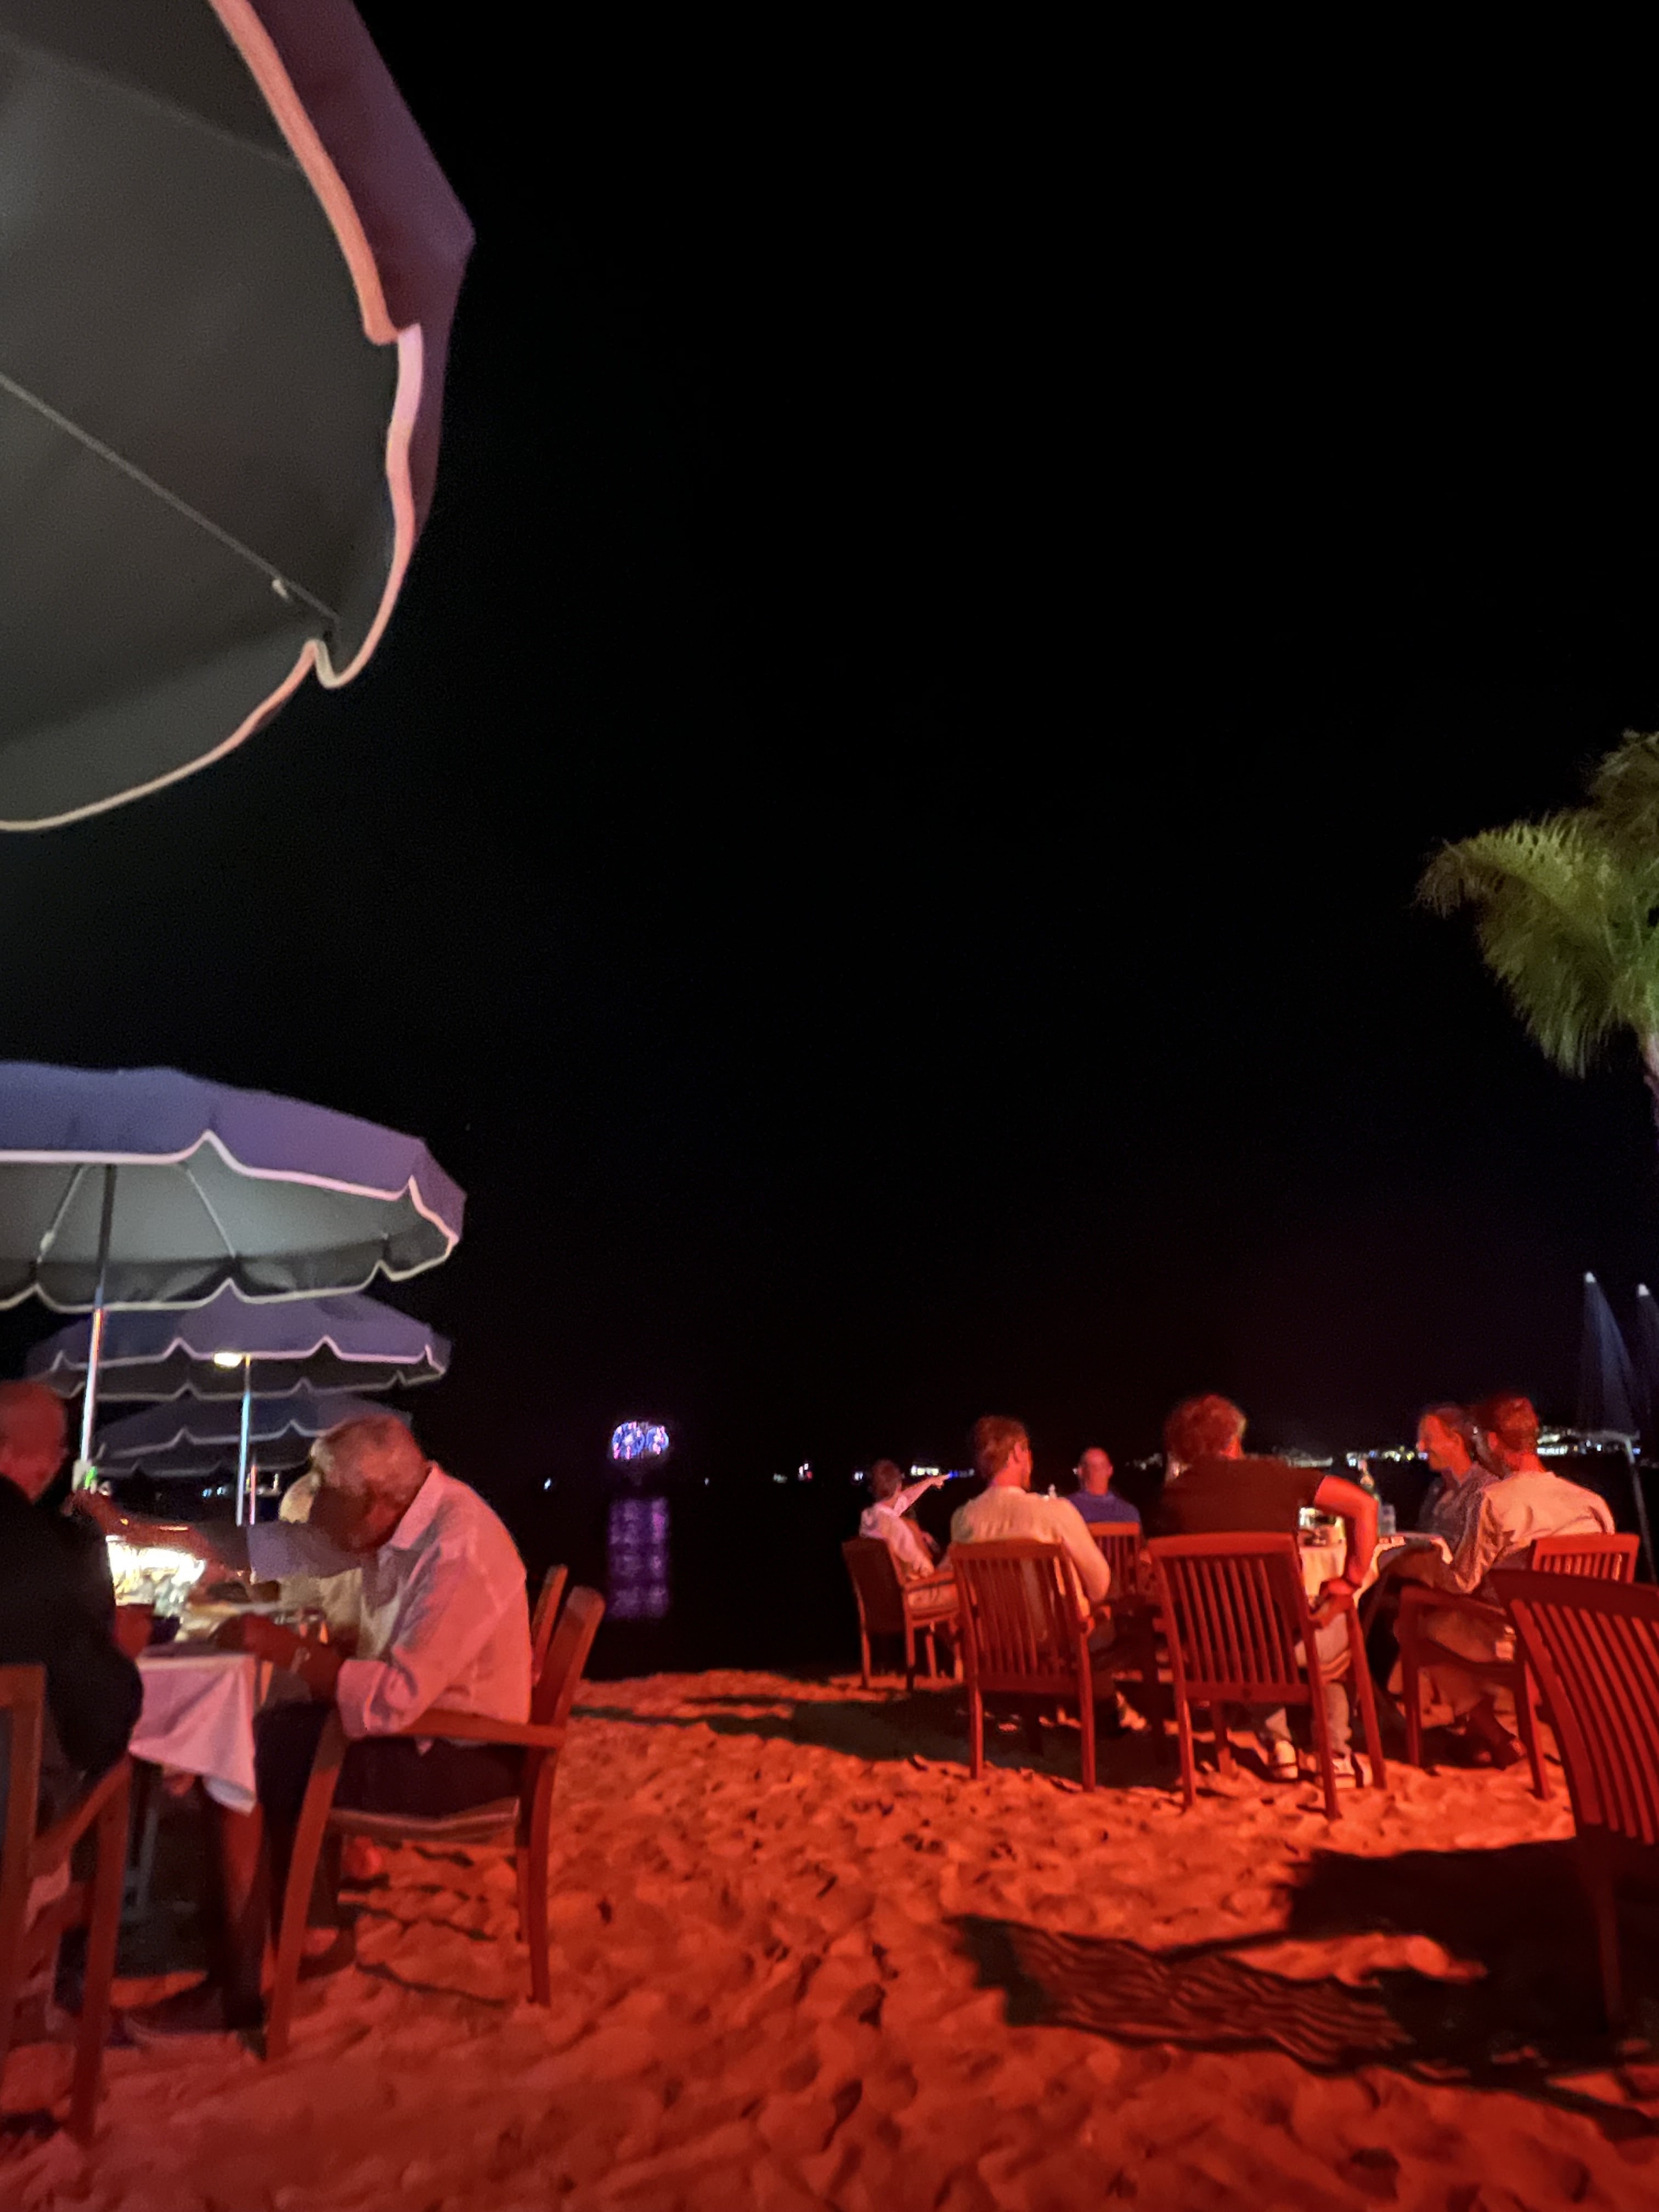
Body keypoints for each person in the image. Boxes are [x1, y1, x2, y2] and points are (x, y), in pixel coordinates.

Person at [78, 1412, 532, 2027]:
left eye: (323, 1489)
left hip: (464, 1760)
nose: (310, 1501)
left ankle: (244, 1986)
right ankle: (314, 1933)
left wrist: (286, 1649)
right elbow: (252, 1547)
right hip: (427, 1731)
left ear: (375, 1500)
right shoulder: (386, 1523)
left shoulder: (457, 1549)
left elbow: (393, 1699)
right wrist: (134, 1529)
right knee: (272, 1728)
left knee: (242, 1755)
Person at [1155, 1393, 1377, 1786]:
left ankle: (1279, 1746)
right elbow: (1364, 1507)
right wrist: (1351, 1579)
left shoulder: (1169, 1500)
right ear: (1232, 1441)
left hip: (1212, 1649)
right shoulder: (1275, 1476)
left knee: (1243, 1621)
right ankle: (1334, 1755)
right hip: (1284, 1643)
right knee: (1333, 1617)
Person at [1397, 1392, 1612, 1765]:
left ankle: (1496, 1735)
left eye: (1480, 1440)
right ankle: (1481, 1733)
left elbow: (1460, 1582)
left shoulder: (1494, 1501)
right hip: (1580, 1641)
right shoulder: (1593, 1505)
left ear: (1493, 1441)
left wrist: (1416, 1568)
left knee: (1412, 1623)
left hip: (1516, 1640)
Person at [0, 1381, 142, 1827]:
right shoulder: (55, 1549)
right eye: (57, 1449)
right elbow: (99, 1727)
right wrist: (123, 1654)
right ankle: (49, 1868)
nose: (59, 1463)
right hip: (10, 1817)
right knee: (109, 1765)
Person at [951, 1417, 1111, 1618]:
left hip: (997, 1635)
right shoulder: (1055, 1512)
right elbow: (1100, 1584)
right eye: (1028, 1451)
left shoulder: (962, 1519)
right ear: (1018, 1452)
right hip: (1061, 1633)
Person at [859, 1459, 946, 1579]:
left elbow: (904, 1499)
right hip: (910, 1588)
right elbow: (923, 1566)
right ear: (899, 1486)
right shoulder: (895, 1526)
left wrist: (929, 1482)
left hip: (879, 1584)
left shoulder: (868, 1518)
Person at [1414, 1403, 1489, 1534]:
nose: (1421, 1447)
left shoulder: (1484, 1494)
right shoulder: (1437, 1489)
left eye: (1428, 1438)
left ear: (1455, 1440)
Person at [1069, 1447, 1140, 1528]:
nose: (1098, 1471)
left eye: (1101, 1466)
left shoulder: (1066, 1509)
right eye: (1094, 1467)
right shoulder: (1129, 1512)